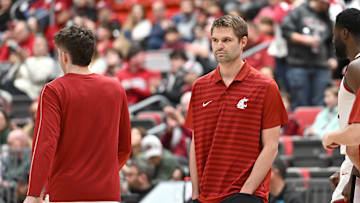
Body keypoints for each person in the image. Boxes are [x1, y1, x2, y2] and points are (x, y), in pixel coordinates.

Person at [185, 15, 288, 203]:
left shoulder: (266, 86)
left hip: (245, 195)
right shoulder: (199, 87)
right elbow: (195, 142)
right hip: (204, 196)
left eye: (226, 40)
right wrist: (195, 192)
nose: (219, 46)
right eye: (215, 40)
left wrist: (246, 192)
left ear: (243, 42)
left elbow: (271, 146)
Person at [23, 25, 131, 203]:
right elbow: (125, 147)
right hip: (108, 193)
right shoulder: (116, 88)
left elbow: (45, 144)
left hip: (66, 193)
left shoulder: (53, 90)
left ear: (64, 56)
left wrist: (33, 193)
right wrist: (102, 175)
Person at [321, 8, 360, 203]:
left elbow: (358, 132)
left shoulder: (357, 67)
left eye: (334, 33)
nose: (333, 40)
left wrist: (331, 136)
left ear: (343, 32)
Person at [281, 0, 337, 108]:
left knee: (320, 104)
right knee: (301, 103)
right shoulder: (298, 12)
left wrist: (332, 58)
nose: (328, 5)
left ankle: (318, 125)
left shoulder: (326, 16)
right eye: (326, 3)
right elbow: (285, 31)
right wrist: (303, 39)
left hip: (321, 65)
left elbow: (332, 41)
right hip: (299, 65)